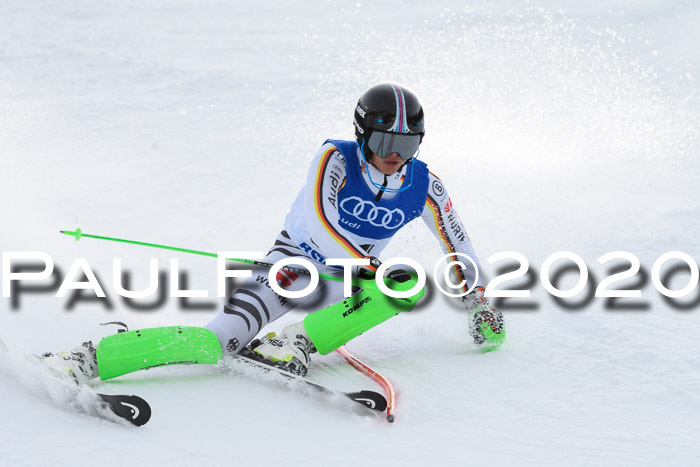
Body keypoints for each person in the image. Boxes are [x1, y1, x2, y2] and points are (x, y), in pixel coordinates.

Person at [40, 83, 505, 384]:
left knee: (405, 285)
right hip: (293, 267)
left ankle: (295, 342)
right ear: (362, 135)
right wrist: (364, 264)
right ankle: (88, 358)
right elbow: (321, 223)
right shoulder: (335, 159)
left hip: (347, 288)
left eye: (406, 145)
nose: (394, 155)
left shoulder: (426, 186)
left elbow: (458, 247)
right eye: (384, 143)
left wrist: (479, 301)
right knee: (213, 345)